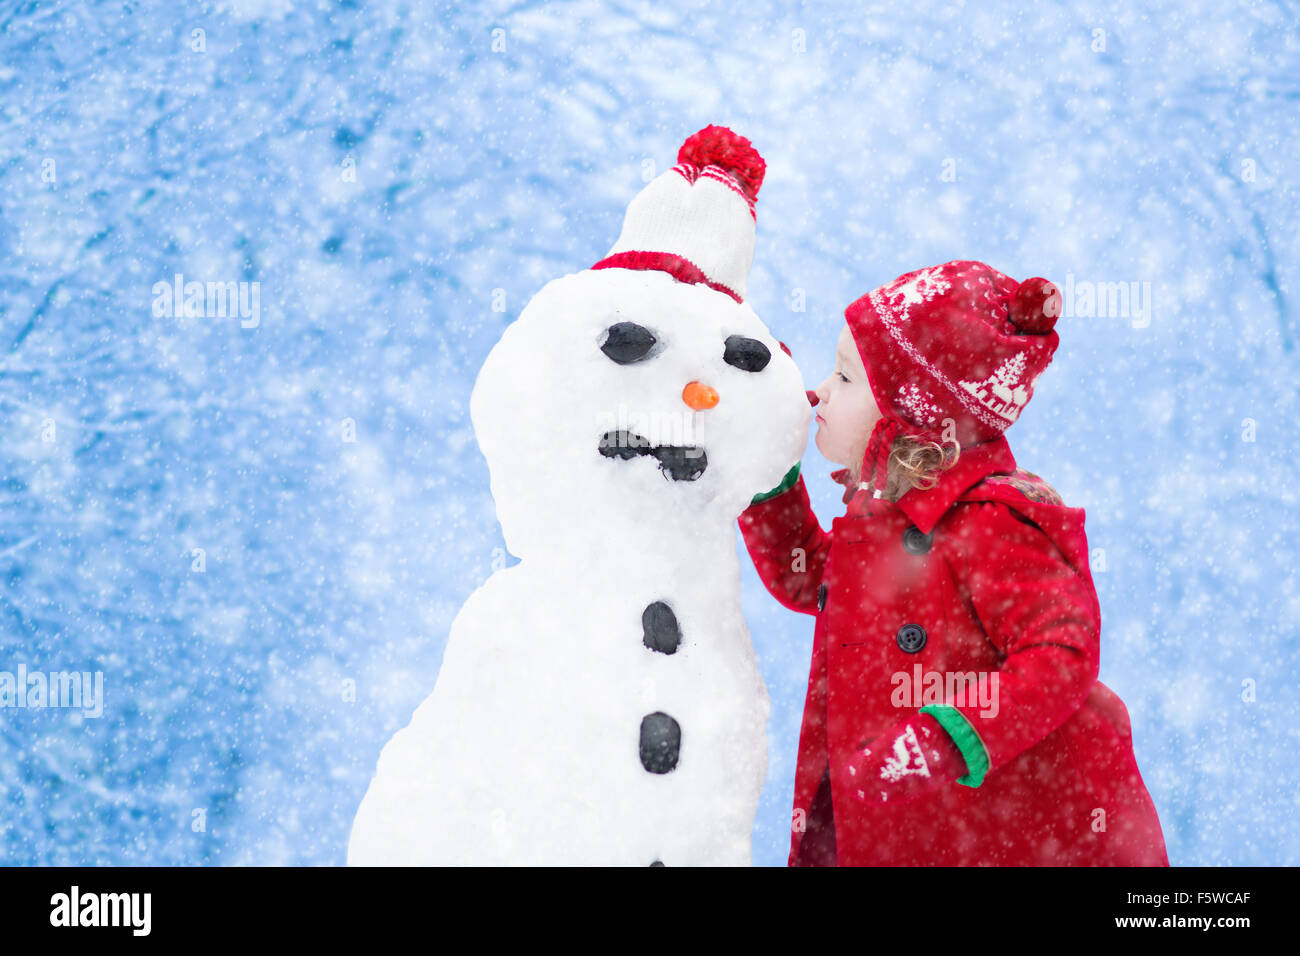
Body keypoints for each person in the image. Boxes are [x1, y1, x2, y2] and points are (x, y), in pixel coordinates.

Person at [740, 260, 1169, 866]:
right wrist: (766, 471)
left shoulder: (995, 520)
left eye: (844, 376)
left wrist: (948, 737)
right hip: (887, 818)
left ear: (913, 414)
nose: (819, 392)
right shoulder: (885, 512)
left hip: (998, 826)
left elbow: (1060, 652)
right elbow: (808, 576)